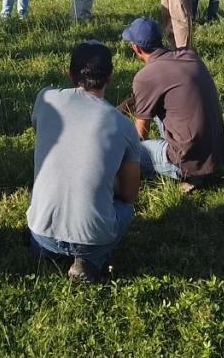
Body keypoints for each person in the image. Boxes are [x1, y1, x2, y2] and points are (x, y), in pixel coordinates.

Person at [27, 41, 141, 283]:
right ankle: (89, 261)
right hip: (93, 237)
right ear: (110, 77)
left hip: (41, 233)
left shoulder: (45, 98)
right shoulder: (124, 126)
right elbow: (131, 194)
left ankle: (49, 254)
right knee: (126, 210)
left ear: (70, 73)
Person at [121, 17, 224, 193]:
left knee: (126, 151)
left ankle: (191, 174)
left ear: (136, 48)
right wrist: (122, 108)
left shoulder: (146, 77)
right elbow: (146, 96)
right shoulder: (189, 55)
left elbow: (140, 136)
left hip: (187, 160)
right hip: (217, 152)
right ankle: (200, 170)